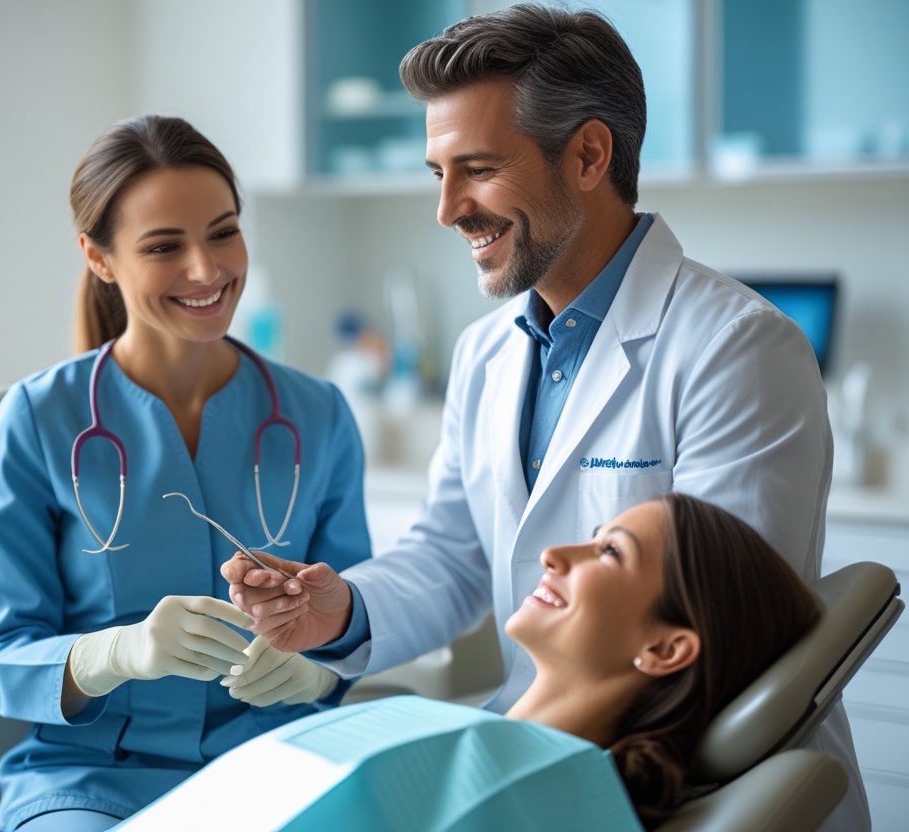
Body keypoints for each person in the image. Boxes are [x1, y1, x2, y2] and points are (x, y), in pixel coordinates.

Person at [221, 5, 867, 830]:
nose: (448, 209)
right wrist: (338, 609)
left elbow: (711, 636)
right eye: (437, 173)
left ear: (590, 154)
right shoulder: (487, 352)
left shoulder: (736, 348)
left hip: (670, 785)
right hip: (546, 762)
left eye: (478, 169)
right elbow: (452, 557)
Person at [0, 115, 371, 831]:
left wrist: (315, 672)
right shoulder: (39, 418)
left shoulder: (317, 415)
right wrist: (117, 652)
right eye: (164, 246)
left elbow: (360, 615)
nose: (207, 269)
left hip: (272, 775)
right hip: (91, 786)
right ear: (99, 258)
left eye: (223, 232)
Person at [137, 493, 822, 830]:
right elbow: (447, 549)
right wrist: (339, 611)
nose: (556, 554)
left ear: (666, 647)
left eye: (610, 552)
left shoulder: (533, 795)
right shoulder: (467, 742)